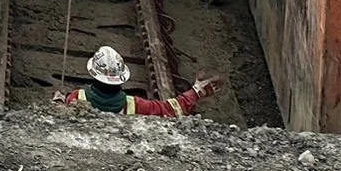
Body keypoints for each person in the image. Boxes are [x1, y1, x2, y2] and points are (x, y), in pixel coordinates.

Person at [56, 46, 223, 118]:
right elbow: (168, 110)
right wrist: (195, 92)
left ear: (94, 74)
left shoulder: (76, 98)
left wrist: (58, 102)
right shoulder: (135, 105)